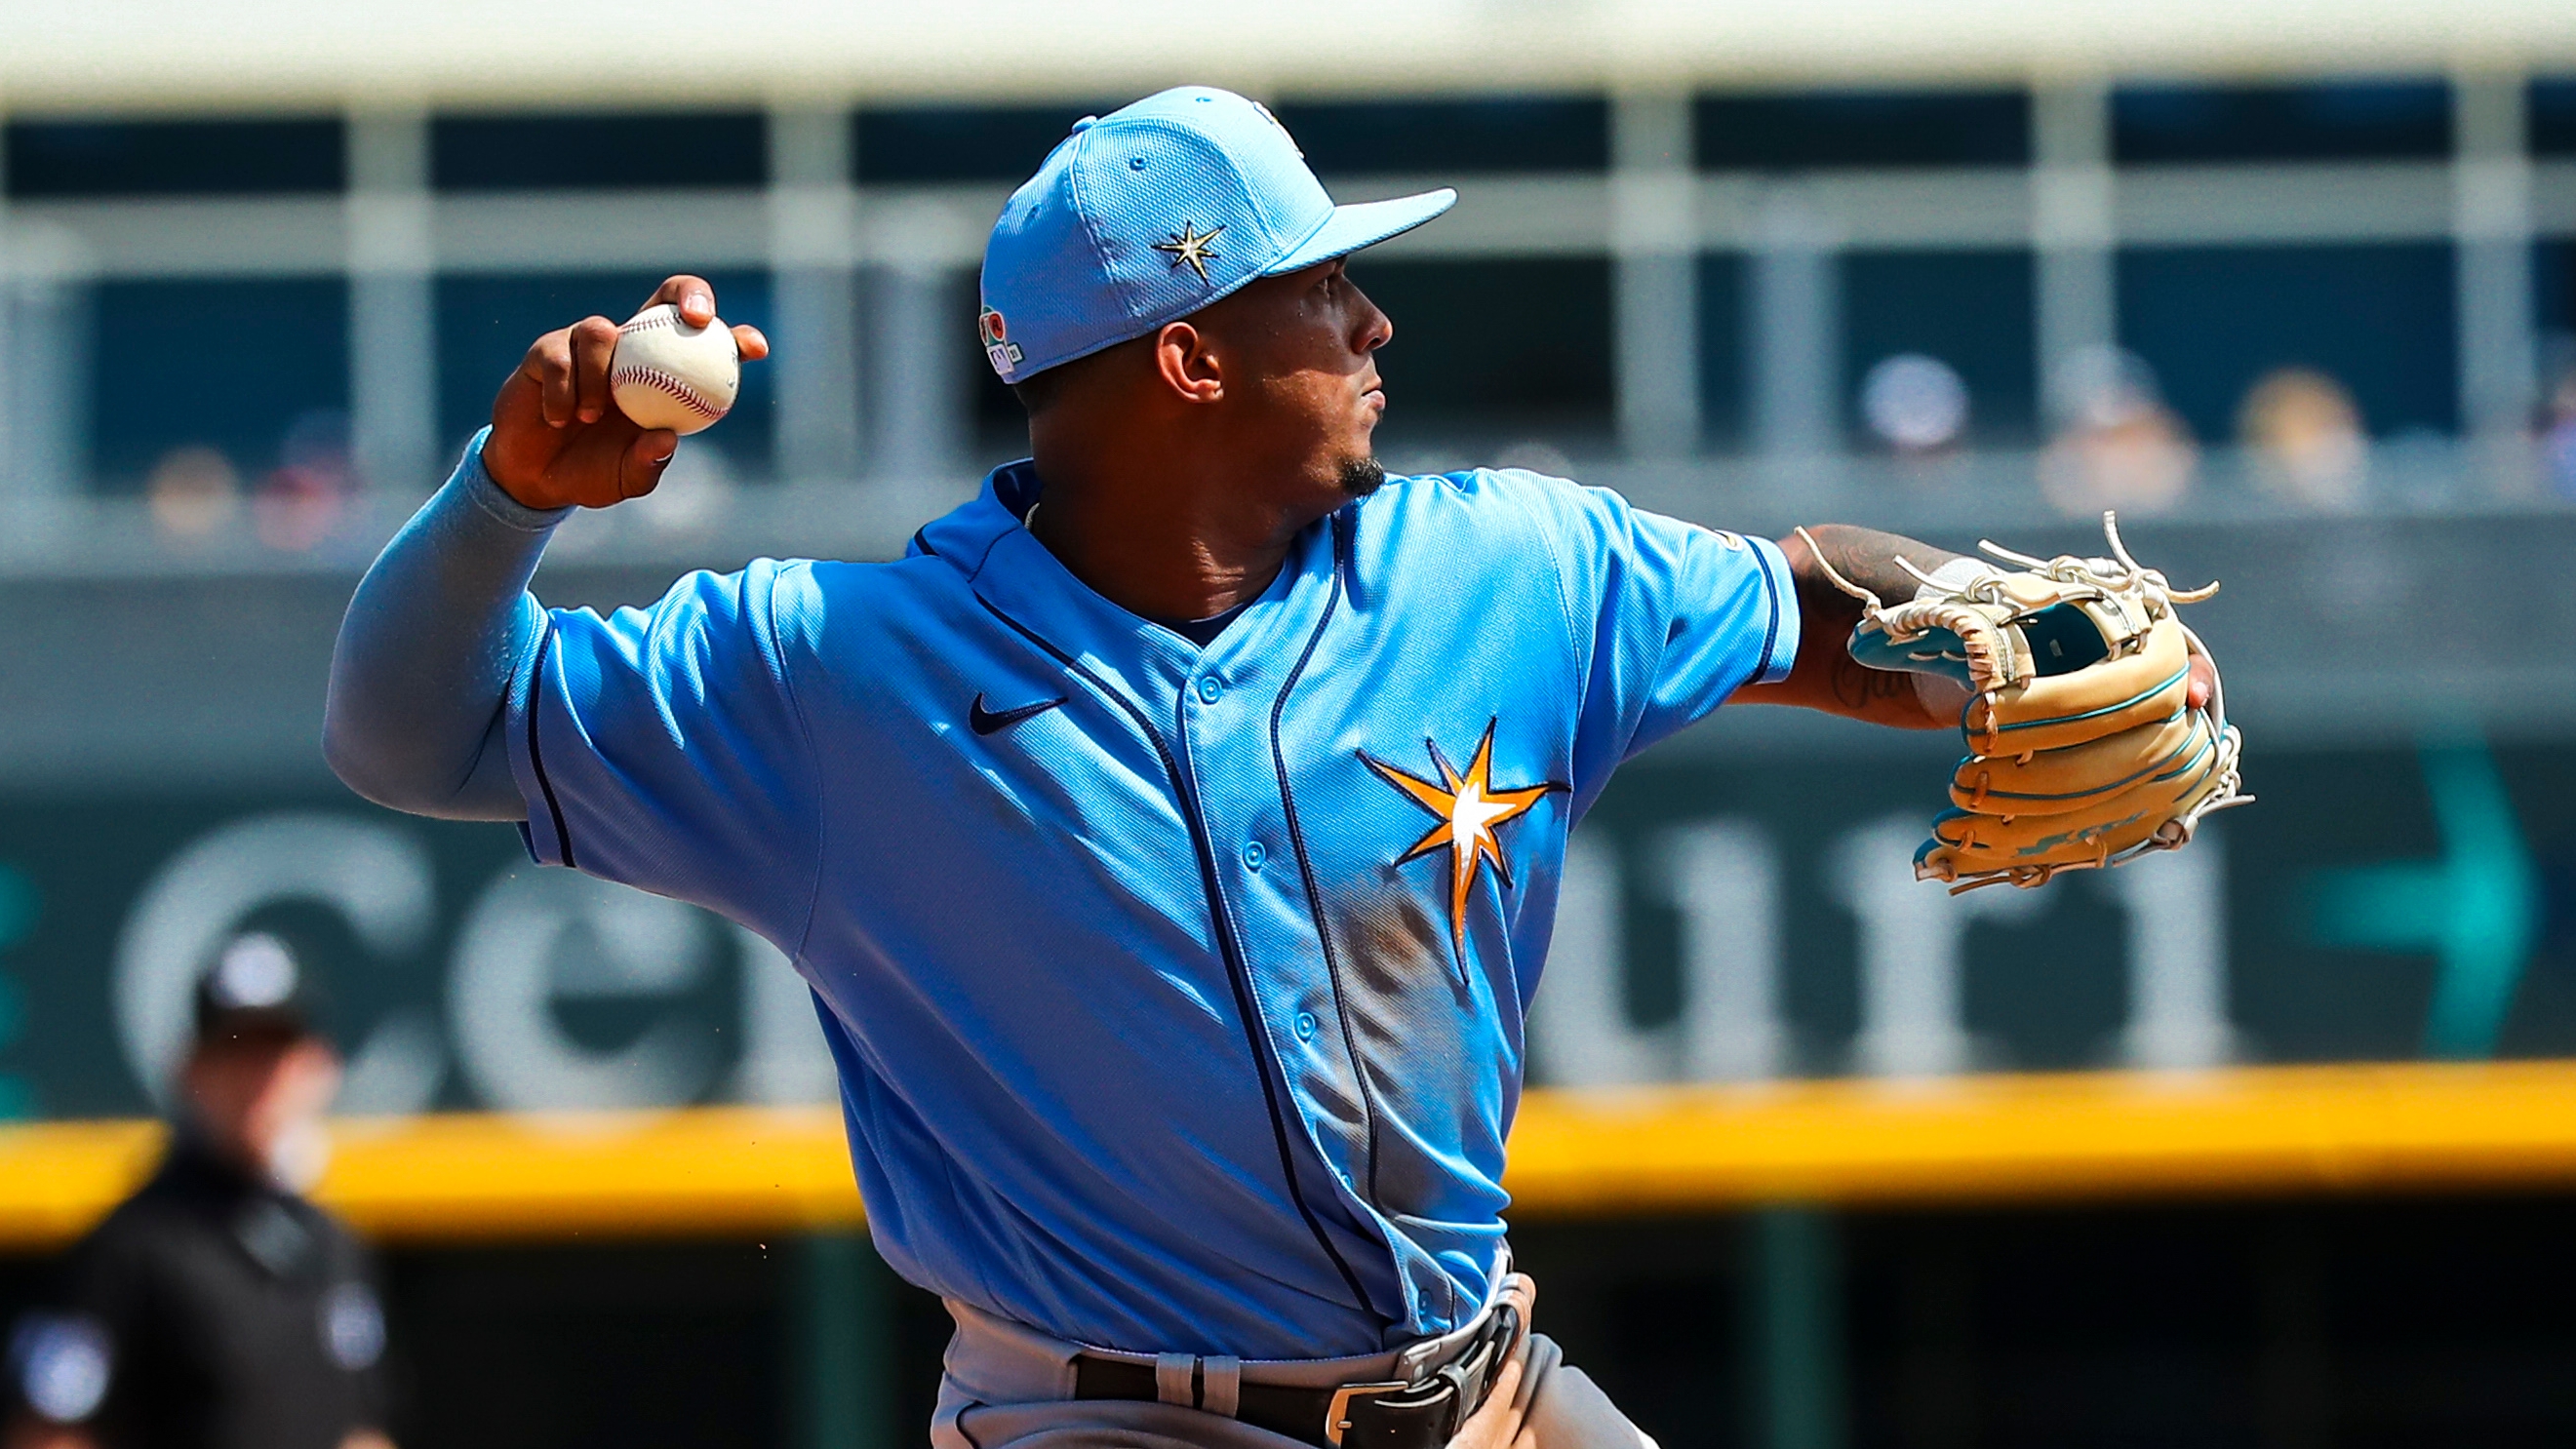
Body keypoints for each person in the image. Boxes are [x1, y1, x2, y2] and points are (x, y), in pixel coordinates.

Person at [323, 87, 2211, 1447]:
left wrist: (2008, 625)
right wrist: (504, 504)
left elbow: (1815, 610)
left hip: (1478, 1387)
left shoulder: (1504, 568)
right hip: (1106, 1413)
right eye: (1325, 291)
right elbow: (418, 739)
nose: (1378, 323)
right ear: (1191, 359)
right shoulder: (833, 672)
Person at [3, 936, 394, 1449]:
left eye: (274, 1053)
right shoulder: (131, 1248)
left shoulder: (331, 1245)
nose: (257, 1081)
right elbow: (49, 1431)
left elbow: (361, 1429)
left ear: (318, 1067)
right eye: (235, 1052)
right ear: (190, 1071)